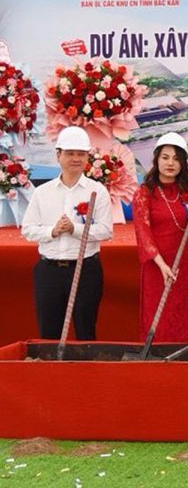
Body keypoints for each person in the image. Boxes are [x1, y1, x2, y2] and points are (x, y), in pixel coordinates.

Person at [21, 125, 113, 340]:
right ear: (58, 155)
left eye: (81, 154)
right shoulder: (42, 192)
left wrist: (75, 229)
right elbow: (28, 229)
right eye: (70, 153)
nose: (75, 159)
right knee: (49, 332)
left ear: (87, 157)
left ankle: (87, 373)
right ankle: (49, 372)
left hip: (85, 270)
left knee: (85, 330)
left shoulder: (97, 191)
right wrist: (53, 231)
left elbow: (106, 230)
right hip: (49, 270)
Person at [131, 132, 188, 342]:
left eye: (176, 158)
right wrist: (162, 265)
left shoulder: (186, 191)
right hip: (157, 265)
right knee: (159, 314)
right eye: (165, 157)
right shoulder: (144, 192)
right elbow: (142, 233)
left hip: (184, 261)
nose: (170, 163)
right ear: (156, 160)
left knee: (185, 311)